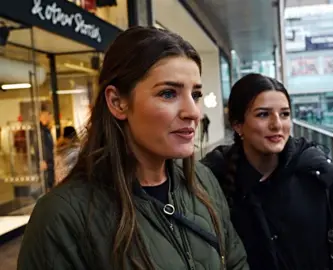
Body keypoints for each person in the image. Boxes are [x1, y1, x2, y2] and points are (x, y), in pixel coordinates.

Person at [18, 26, 248, 270]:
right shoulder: (61, 216)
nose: (193, 112)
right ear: (117, 102)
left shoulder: (203, 181)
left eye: (196, 94)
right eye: (169, 93)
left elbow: (235, 261)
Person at [202, 73, 333, 270]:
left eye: (285, 114)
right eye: (263, 114)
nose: (277, 124)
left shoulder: (321, 175)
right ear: (238, 125)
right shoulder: (212, 180)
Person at [39, 104, 54, 192]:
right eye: (49, 114)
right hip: (45, 163)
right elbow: (41, 146)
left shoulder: (46, 130)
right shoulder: (40, 131)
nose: (50, 117)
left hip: (49, 163)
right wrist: (43, 159)